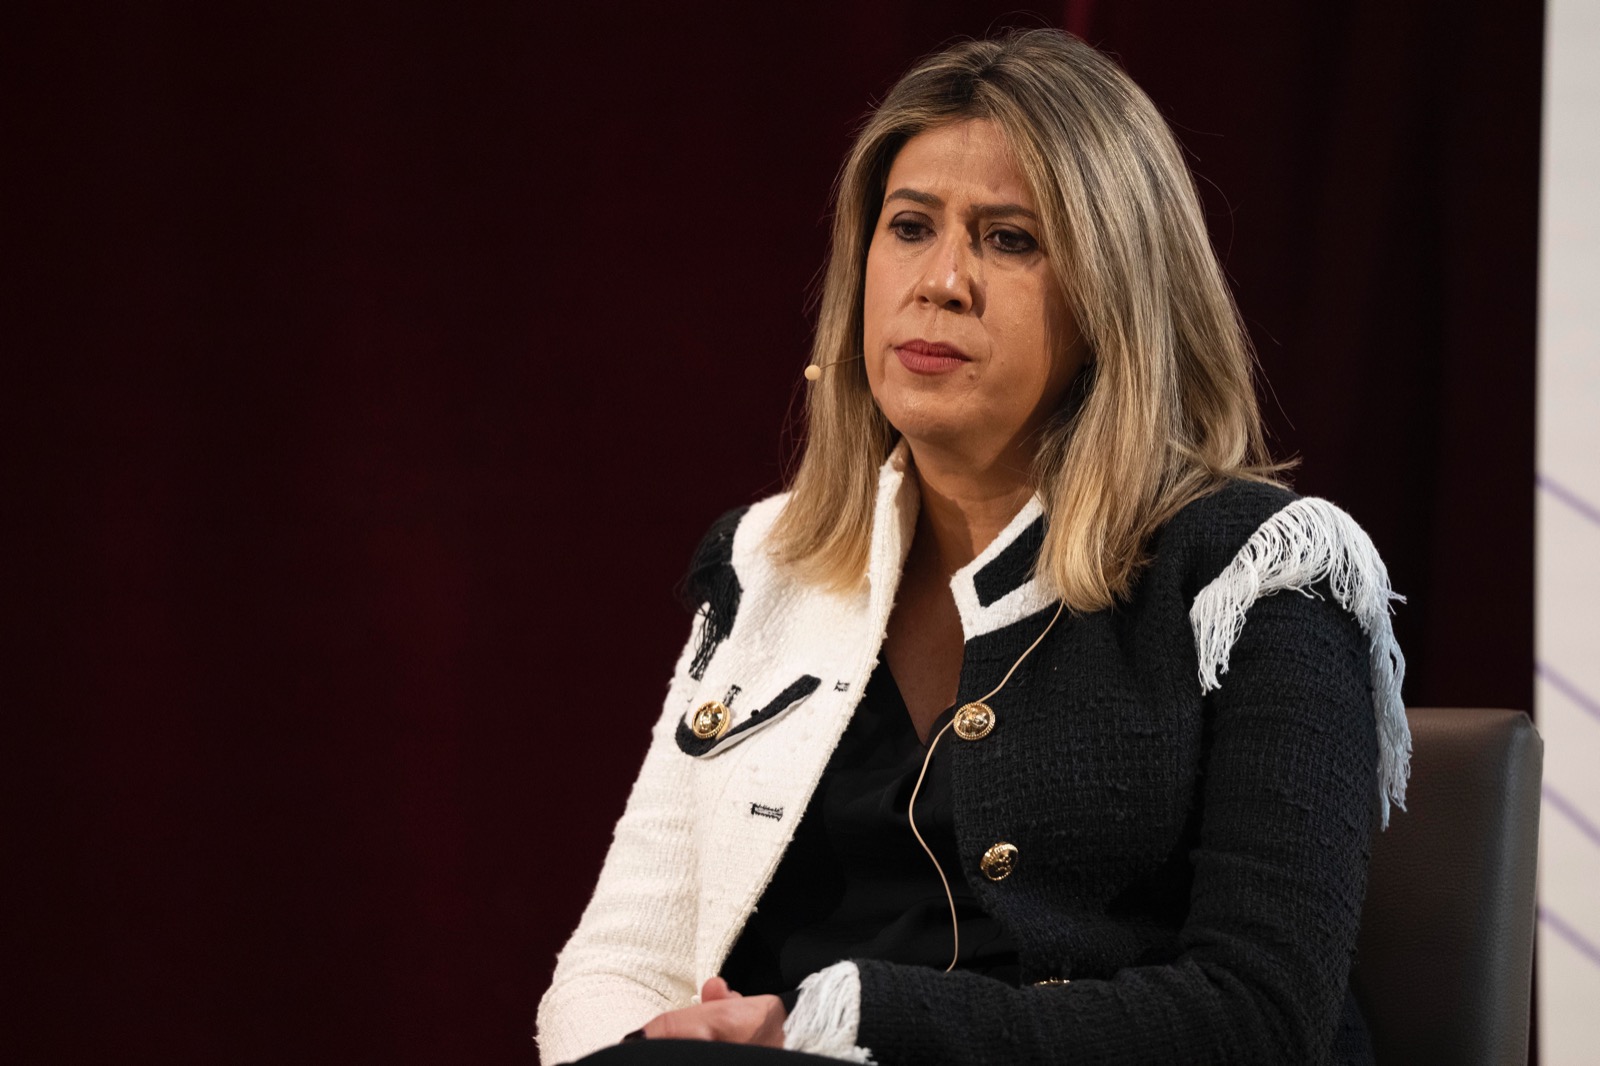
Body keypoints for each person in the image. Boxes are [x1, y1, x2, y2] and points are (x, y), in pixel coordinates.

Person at [536, 28, 1409, 1066]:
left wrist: (847, 1021)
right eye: (910, 227)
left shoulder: (1256, 573)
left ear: (1115, 297)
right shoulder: (765, 563)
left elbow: (1260, 1017)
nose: (942, 280)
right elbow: (621, 961)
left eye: (1010, 239)